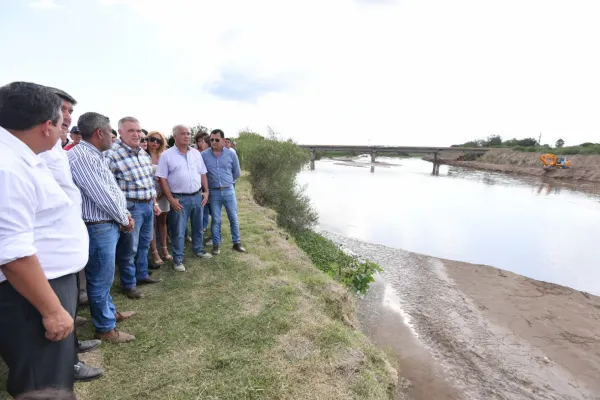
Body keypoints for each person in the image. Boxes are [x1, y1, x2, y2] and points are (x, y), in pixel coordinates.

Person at [0, 82, 84, 397]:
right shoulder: (8, 169)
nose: (64, 128)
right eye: (61, 122)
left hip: (44, 284)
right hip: (30, 296)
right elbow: (12, 253)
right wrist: (51, 310)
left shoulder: (21, 157)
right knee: (42, 385)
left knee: (52, 379)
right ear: (47, 126)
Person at [41, 87, 102, 382]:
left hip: (64, 248)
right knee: (53, 312)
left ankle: (73, 350)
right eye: (62, 110)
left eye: (70, 112)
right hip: (47, 253)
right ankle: (66, 366)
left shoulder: (56, 146)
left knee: (68, 305)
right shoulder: (35, 150)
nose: (67, 117)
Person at [68, 112, 136, 343]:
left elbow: (110, 190)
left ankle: (110, 315)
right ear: (99, 133)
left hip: (106, 224)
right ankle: (105, 328)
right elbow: (102, 196)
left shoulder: (94, 155)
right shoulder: (83, 157)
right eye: (109, 132)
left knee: (104, 278)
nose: (112, 136)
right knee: (99, 279)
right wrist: (124, 218)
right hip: (98, 226)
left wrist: (124, 214)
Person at [105, 117, 162, 299]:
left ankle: (142, 274)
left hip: (147, 205)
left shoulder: (143, 154)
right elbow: (108, 186)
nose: (136, 134)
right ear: (120, 132)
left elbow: (149, 182)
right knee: (130, 248)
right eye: (131, 131)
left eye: (138, 130)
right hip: (130, 207)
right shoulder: (111, 154)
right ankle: (128, 284)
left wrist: (154, 202)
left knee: (145, 242)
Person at [157, 124, 211, 272]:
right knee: (179, 231)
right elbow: (162, 179)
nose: (187, 136)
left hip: (197, 196)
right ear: (175, 137)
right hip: (179, 199)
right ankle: (178, 259)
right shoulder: (166, 155)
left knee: (198, 227)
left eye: (188, 133)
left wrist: (206, 192)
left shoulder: (196, 153)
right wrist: (171, 200)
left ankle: (198, 249)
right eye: (182, 133)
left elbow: (202, 173)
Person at [201, 129, 246, 255]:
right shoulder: (204, 155)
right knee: (216, 219)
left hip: (228, 190)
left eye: (216, 140)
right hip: (213, 192)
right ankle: (216, 245)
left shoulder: (231, 154)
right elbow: (202, 174)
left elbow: (236, 172)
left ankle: (236, 243)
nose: (213, 142)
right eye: (211, 140)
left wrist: (228, 182)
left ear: (223, 140)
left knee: (233, 217)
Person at [146, 130, 171, 267]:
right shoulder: (142, 155)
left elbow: (168, 176)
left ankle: (164, 248)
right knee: (152, 224)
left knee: (163, 222)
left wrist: (162, 193)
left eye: (158, 141)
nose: (155, 143)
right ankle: (154, 252)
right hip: (148, 195)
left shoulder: (164, 156)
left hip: (163, 192)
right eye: (152, 139)